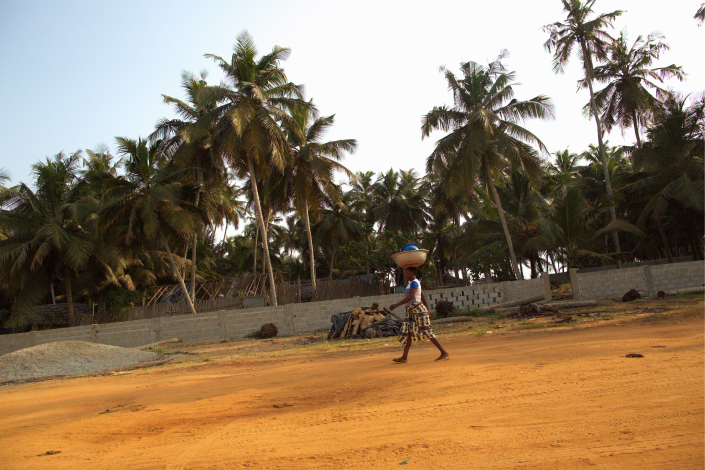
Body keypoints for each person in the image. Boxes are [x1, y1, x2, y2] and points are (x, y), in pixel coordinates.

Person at [389, 266, 449, 362]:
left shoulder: (414, 283)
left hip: (418, 310)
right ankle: (404, 357)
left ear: (412, 272)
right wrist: (428, 310)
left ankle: (444, 352)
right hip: (412, 311)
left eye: (406, 272)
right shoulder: (412, 283)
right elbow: (422, 297)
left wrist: (397, 304)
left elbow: (411, 297)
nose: (405, 274)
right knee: (409, 333)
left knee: (427, 330)